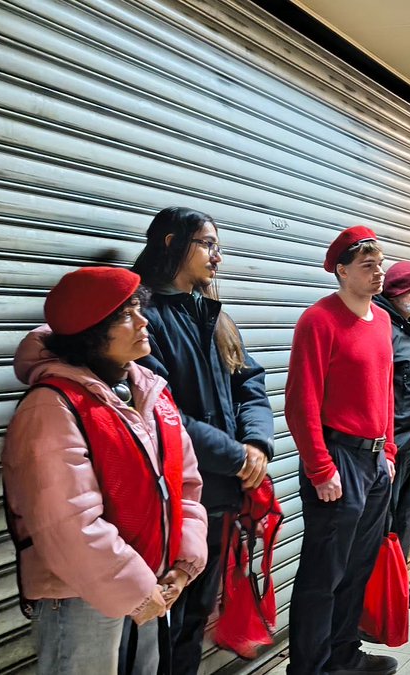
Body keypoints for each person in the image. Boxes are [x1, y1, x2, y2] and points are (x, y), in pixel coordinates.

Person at [3, 267, 208, 675]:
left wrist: (183, 565)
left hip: (153, 583)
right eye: (125, 314)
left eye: (139, 308)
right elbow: (69, 523)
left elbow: (184, 484)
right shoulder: (52, 407)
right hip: (81, 593)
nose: (144, 321)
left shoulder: (150, 393)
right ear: (90, 332)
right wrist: (136, 589)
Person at [130, 207, 274, 674]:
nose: (218, 257)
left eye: (218, 246)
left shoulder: (211, 312)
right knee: (158, 627)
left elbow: (249, 382)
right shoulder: (142, 317)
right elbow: (160, 412)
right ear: (171, 244)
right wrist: (236, 457)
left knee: (193, 621)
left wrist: (256, 445)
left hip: (219, 496)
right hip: (173, 501)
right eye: (208, 244)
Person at [286, 226, 398, 675]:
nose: (378, 272)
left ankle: (343, 657)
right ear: (341, 271)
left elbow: (385, 390)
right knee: (322, 574)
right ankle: (309, 667)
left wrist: (388, 450)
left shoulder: (384, 320)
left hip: (373, 460)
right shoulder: (320, 320)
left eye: (380, 263)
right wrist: (320, 467)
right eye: (367, 265)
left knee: (356, 568)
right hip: (337, 458)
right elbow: (301, 401)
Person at [372, 261, 410, 609]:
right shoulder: (385, 331)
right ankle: (380, 588)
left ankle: (396, 583)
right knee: (385, 521)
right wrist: (387, 448)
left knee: (404, 521)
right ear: (394, 292)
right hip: (390, 449)